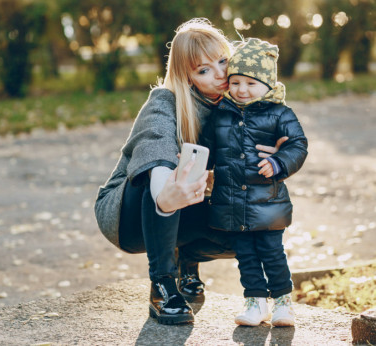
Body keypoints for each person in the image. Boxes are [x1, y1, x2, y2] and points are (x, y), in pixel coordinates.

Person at [94, 19, 285, 325]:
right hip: (128, 214)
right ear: (188, 77)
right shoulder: (165, 101)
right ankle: (162, 286)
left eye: (223, 61)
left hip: (187, 206)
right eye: (203, 69)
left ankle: (188, 263)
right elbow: (155, 154)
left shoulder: (238, 107)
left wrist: (270, 158)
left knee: (248, 228)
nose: (220, 73)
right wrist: (165, 197)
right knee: (164, 174)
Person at [201, 38, 308, 327]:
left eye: (251, 83)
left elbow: (297, 145)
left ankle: (283, 302)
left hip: (268, 202)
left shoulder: (280, 113)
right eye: (235, 82)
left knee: (272, 253)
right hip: (232, 201)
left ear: (267, 84)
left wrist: (279, 161)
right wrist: (194, 161)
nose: (242, 90)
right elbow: (209, 148)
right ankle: (255, 302)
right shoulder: (221, 113)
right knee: (246, 256)